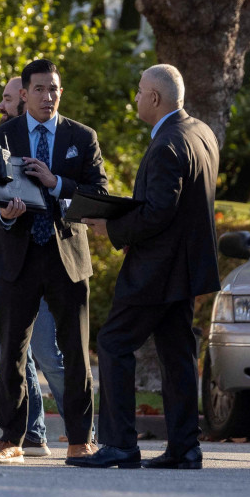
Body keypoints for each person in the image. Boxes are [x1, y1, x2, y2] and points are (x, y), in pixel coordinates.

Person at [70, 64, 219, 469]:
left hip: (156, 269)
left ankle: (120, 444)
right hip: (184, 270)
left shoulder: (167, 144)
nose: (135, 98)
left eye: (139, 92)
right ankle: (185, 448)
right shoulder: (201, 132)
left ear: (155, 98)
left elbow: (158, 213)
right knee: (177, 354)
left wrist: (111, 227)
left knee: (115, 343)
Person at [0, 59, 107, 464]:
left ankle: (80, 439)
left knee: (74, 352)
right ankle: (11, 438)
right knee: (12, 353)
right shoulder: (3, 136)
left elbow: (99, 192)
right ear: (26, 93)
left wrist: (58, 183)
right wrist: (3, 213)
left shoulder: (81, 137)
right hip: (18, 258)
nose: (48, 96)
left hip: (65, 257)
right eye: (40, 89)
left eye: (54, 89)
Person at [0, 76, 67, 457]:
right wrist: (2, 201)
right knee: (11, 359)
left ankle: (85, 437)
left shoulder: (58, 143)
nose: (1, 106)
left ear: (25, 100)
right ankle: (31, 435)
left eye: (7, 99)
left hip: (46, 268)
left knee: (50, 357)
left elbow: (76, 194)